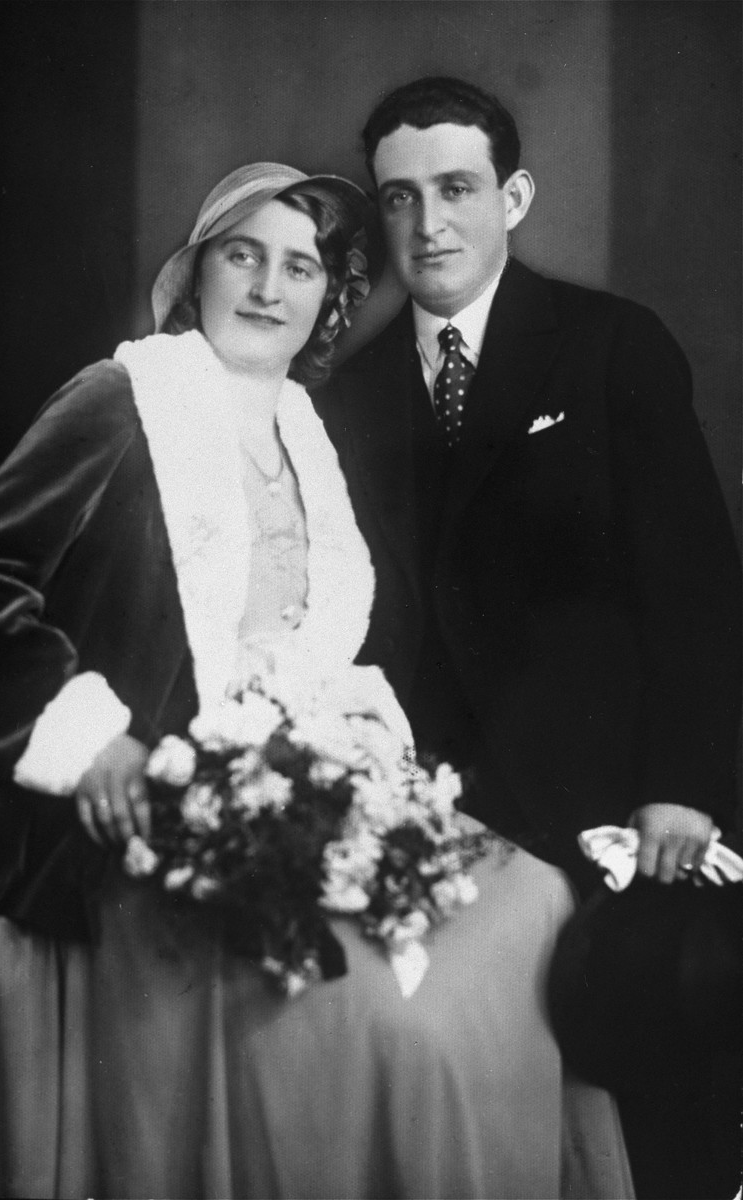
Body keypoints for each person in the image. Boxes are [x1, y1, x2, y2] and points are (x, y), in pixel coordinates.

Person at [0, 162, 635, 1200]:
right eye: (244, 256)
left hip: (293, 788)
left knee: (538, 907)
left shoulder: (304, 429)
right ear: (197, 273)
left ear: (328, 296)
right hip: (139, 821)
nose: (269, 288)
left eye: (299, 266)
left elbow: (312, 646)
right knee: (403, 1027)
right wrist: (88, 738)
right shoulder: (123, 399)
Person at [313, 77, 742, 1198]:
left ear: (514, 195)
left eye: (454, 189)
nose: (427, 225)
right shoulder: (344, 399)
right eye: (397, 198)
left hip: (609, 812)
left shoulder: (608, 347)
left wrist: (682, 785)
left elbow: (697, 591)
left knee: (649, 1123)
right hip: (444, 834)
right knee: (487, 1138)